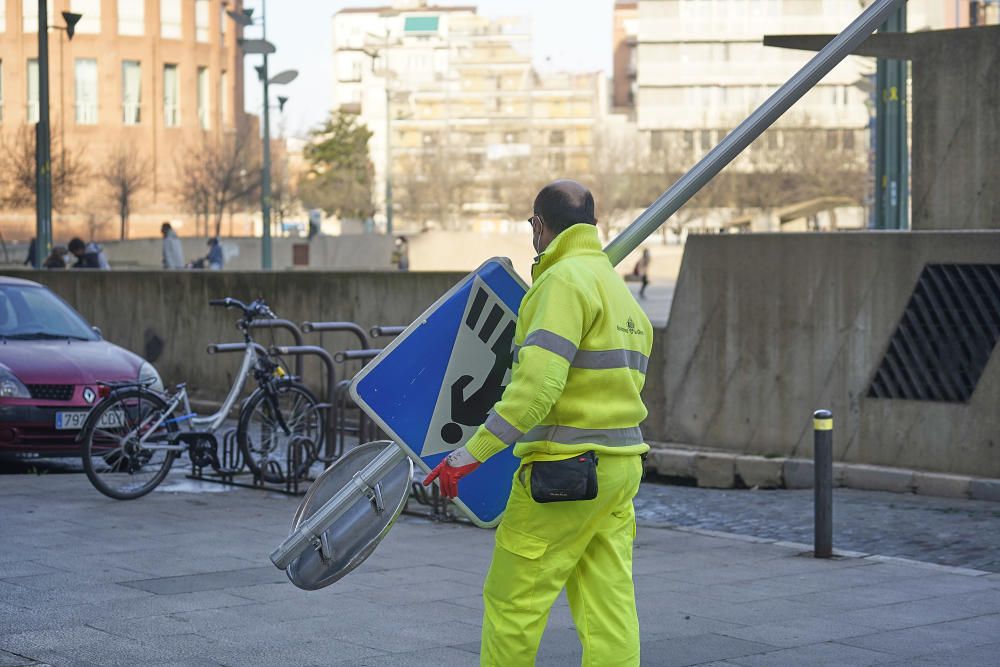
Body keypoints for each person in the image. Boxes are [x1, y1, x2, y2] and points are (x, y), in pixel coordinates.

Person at [424, 179, 653, 666]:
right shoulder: (619, 291)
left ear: (540, 226)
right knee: (607, 606)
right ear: (593, 225)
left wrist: (468, 456)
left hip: (563, 476)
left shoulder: (561, 283)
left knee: (513, 603)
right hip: (619, 473)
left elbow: (536, 390)